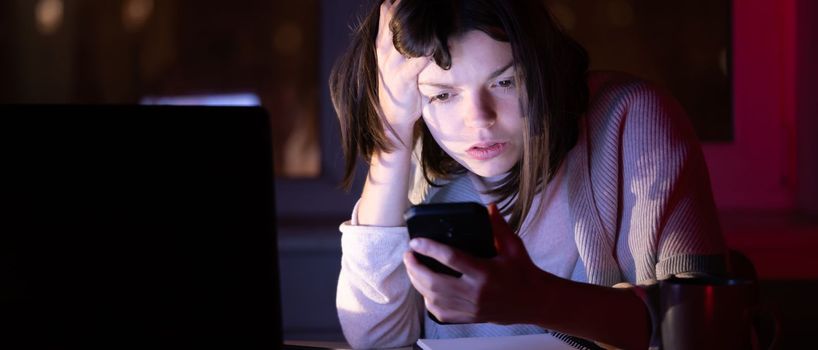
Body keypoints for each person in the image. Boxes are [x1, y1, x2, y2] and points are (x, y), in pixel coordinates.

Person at [329, 0, 728, 349]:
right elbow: (376, 339)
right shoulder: (417, 152)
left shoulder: (630, 118)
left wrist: (537, 300)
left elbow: (705, 331)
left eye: (506, 81)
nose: (479, 120)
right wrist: (392, 139)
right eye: (442, 94)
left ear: (541, 68)